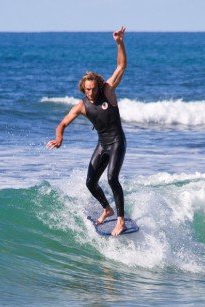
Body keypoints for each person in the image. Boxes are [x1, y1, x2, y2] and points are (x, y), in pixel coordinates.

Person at [47, 26, 128, 236]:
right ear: (84, 88)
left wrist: (119, 42)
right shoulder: (81, 106)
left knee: (112, 178)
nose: (91, 92)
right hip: (103, 144)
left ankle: (120, 220)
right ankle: (107, 209)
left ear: (98, 87)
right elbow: (62, 123)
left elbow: (121, 66)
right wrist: (59, 138)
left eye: (93, 88)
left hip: (117, 141)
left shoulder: (108, 92)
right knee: (90, 182)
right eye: (87, 89)